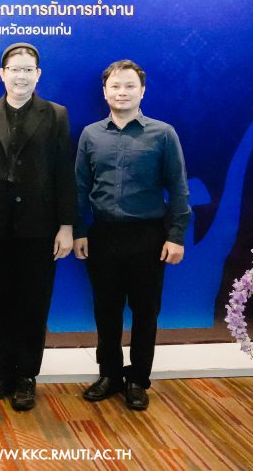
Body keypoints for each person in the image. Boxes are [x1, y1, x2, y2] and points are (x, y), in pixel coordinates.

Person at [73, 59, 190, 412]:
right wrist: (79, 231)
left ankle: (138, 379)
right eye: (115, 86)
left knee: (145, 312)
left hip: (149, 237)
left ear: (142, 91)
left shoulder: (163, 134)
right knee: (106, 311)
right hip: (103, 236)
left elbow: (178, 188)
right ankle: (109, 375)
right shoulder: (91, 134)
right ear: (104, 92)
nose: (121, 92)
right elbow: (79, 188)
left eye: (129, 86)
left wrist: (176, 235)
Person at [0, 43, 76, 412]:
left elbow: (64, 172)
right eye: (15, 69)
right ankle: (3, 372)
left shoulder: (55, 114)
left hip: (39, 227)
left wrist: (66, 226)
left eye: (28, 69)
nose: (21, 76)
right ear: (2, 74)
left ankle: (27, 376)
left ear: (38, 74)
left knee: (34, 303)